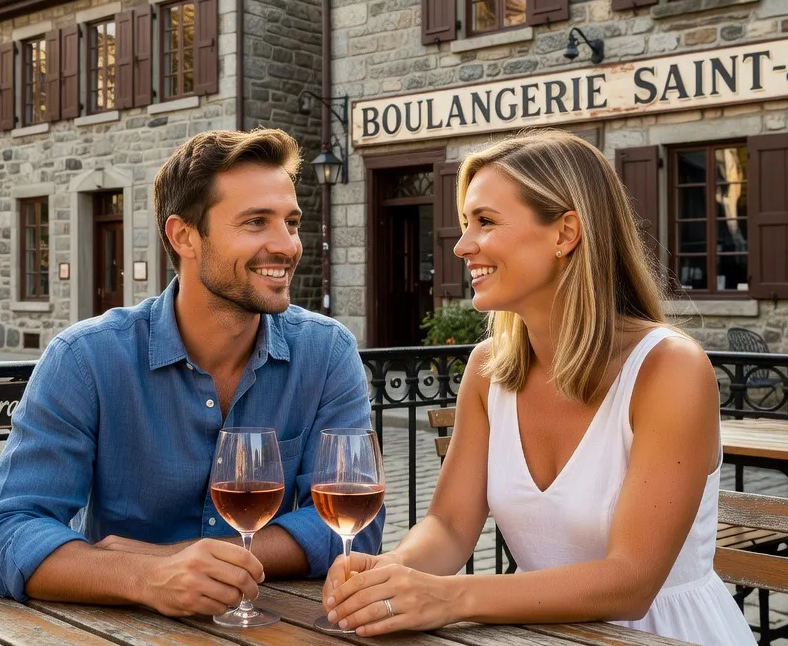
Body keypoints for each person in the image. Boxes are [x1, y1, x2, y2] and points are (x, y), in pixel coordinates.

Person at [320, 130, 754, 645]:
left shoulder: (669, 368)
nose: (461, 245)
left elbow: (632, 581)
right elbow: (450, 526)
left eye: (485, 221)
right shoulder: (489, 369)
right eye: (465, 222)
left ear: (565, 233)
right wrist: (392, 571)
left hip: (665, 636)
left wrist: (450, 598)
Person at [0, 128, 383, 615]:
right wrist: (145, 578)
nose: (287, 245)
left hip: (270, 626)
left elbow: (353, 531)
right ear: (183, 236)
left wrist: (180, 558)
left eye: (291, 223)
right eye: (256, 222)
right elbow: (0, 537)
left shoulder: (326, 352)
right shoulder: (86, 359)